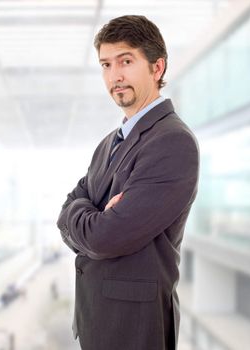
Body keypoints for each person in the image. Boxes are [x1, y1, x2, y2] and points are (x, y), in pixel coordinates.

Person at [56, 15, 199, 350]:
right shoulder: (108, 143)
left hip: (134, 330)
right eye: (106, 64)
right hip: (97, 321)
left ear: (157, 67)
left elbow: (106, 237)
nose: (114, 76)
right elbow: (65, 211)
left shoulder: (172, 142)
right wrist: (86, 211)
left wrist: (86, 215)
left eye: (126, 61)